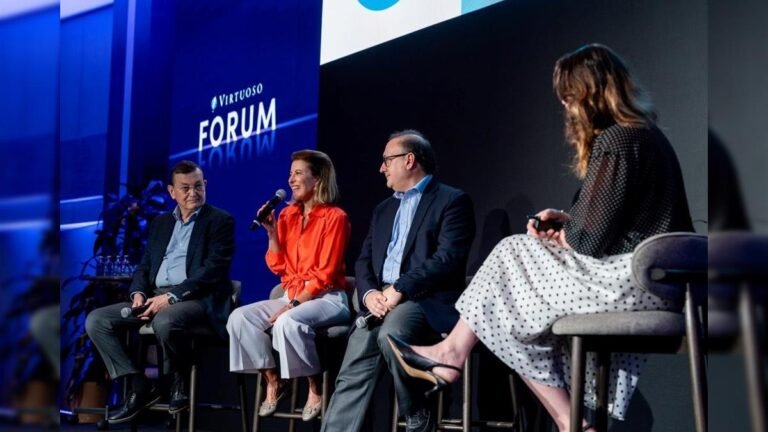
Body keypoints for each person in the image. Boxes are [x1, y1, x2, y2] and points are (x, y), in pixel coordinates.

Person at [387, 44, 694, 432]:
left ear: (588, 95)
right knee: (511, 308)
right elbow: (620, 220)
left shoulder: (617, 140)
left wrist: (564, 236)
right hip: (655, 279)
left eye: (569, 97)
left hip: (636, 281)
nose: (566, 108)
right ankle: (563, 419)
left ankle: (456, 355)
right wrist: (568, 222)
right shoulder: (644, 135)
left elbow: (590, 242)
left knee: (510, 256)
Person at [321, 130, 476, 432]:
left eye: (387, 160)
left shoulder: (451, 201)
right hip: (379, 302)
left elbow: (448, 259)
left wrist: (400, 289)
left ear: (409, 160)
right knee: (353, 367)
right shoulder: (384, 209)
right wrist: (368, 294)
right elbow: (364, 260)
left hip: (423, 298)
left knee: (391, 336)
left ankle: (417, 411)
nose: (381, 168)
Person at [85, 160, 235, 424]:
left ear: (205, 185)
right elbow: (145, 267)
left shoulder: (220, 221)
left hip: (196, 298)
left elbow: (213, 271)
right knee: (97, 320)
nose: (193, 193)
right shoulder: (161, 223)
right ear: (171, 192)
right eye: (185, 188)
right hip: (155, 295)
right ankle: (139, 386)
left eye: (198, 186)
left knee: (165, 321)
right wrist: (138, 294)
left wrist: (171, 297)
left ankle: (178, 382)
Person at [226, 150, 352, 421]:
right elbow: (278, 266)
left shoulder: (335, 217)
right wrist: (271, 232)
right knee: (239, 318)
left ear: (317, 179)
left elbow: (326, 274)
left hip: (327, 297)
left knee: (288, 321)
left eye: (298, 173)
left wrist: (293, 305)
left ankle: (314, 387)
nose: (291, 180)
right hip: (292, 295)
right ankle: (273, 379)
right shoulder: (287, 215)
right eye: (290, 173)